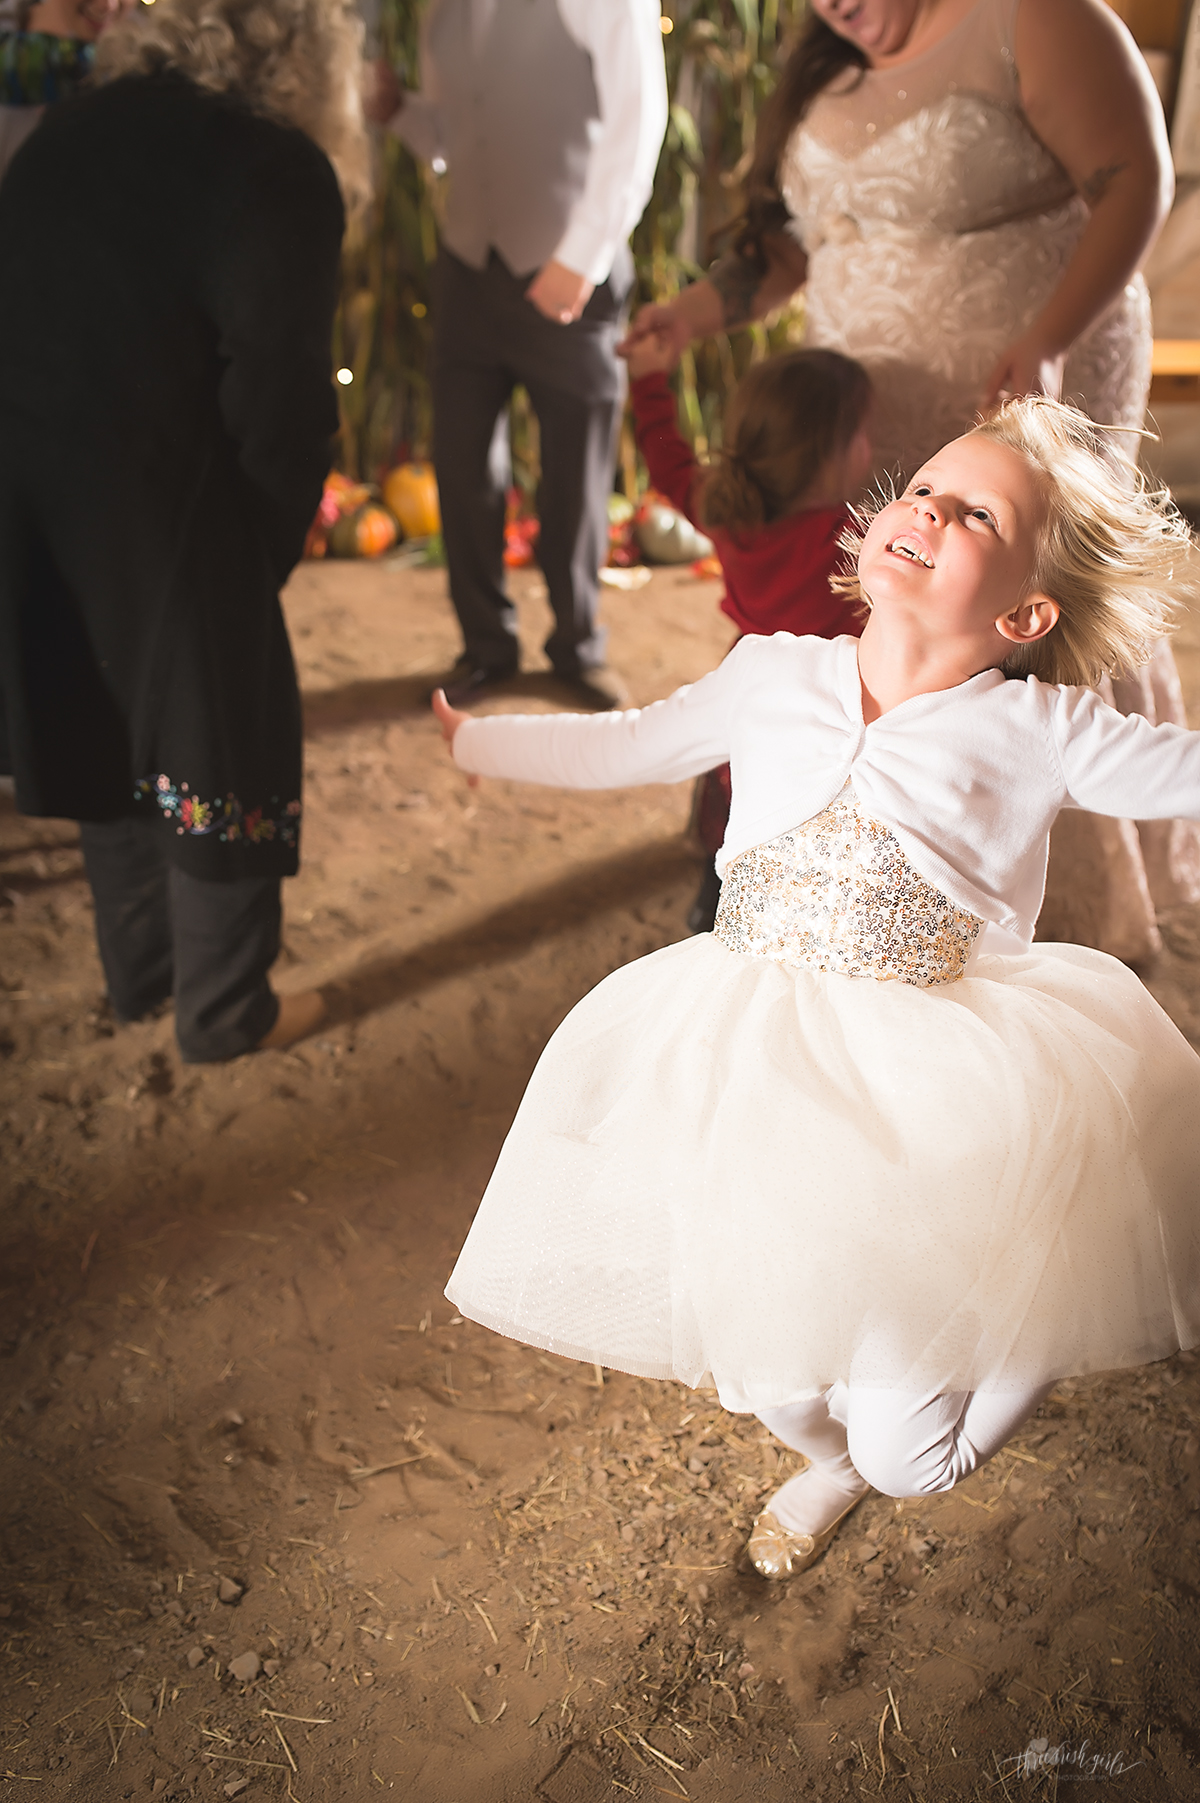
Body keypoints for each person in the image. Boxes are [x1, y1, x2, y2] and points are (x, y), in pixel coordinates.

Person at [432, 396, 1200, 1579]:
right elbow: (627, 741)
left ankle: (1038, 1301)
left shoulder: (1040, 726)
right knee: (767, 1368)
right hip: (753, 1058)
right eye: (924, 487)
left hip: (931, 1089)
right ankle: (824, 1460)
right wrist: (482, 742)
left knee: (915, 1459)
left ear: (1026, 611)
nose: (928, 509)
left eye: (975, 512)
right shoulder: (773, 672)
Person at [621, 0, 1198, 963]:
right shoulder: (823, 65)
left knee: (1014, 605)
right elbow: (794, 245)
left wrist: (1050, 336)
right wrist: (687, 315)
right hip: (867, 417)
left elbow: (1136, 181)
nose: (829, 6)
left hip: (1028, 381)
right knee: (881, 613)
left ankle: (1052, 907)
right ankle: (859, 863)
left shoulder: (1038, 20)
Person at [0, 0, 369, 1062]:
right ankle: (225, 1011)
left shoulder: (70, 127)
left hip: (29, 486)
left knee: (94, 708)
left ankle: (144, 984)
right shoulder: (276, 167)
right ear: (307, 52)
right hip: (171, 493)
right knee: (222, 734)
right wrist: (259, 552)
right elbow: (284, 400)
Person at [363, 0, 667, 710]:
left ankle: (578, 646)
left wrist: (582, 257)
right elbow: (451, 137)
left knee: (575, 475)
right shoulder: (441, 11)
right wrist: (397, 108)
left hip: (568, 272)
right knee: (463, 467)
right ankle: (486, 646)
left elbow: (638, 118)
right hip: (468, 268)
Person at [626, 333, 872, 930]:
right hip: (829, 687)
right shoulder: (852, 540)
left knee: (738, 777)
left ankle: (712, 897)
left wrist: (648, 378)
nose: (874, 446)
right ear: (827, 454)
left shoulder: (725, 509)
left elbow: (665, 455)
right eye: (863, 433)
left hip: (751, 675)